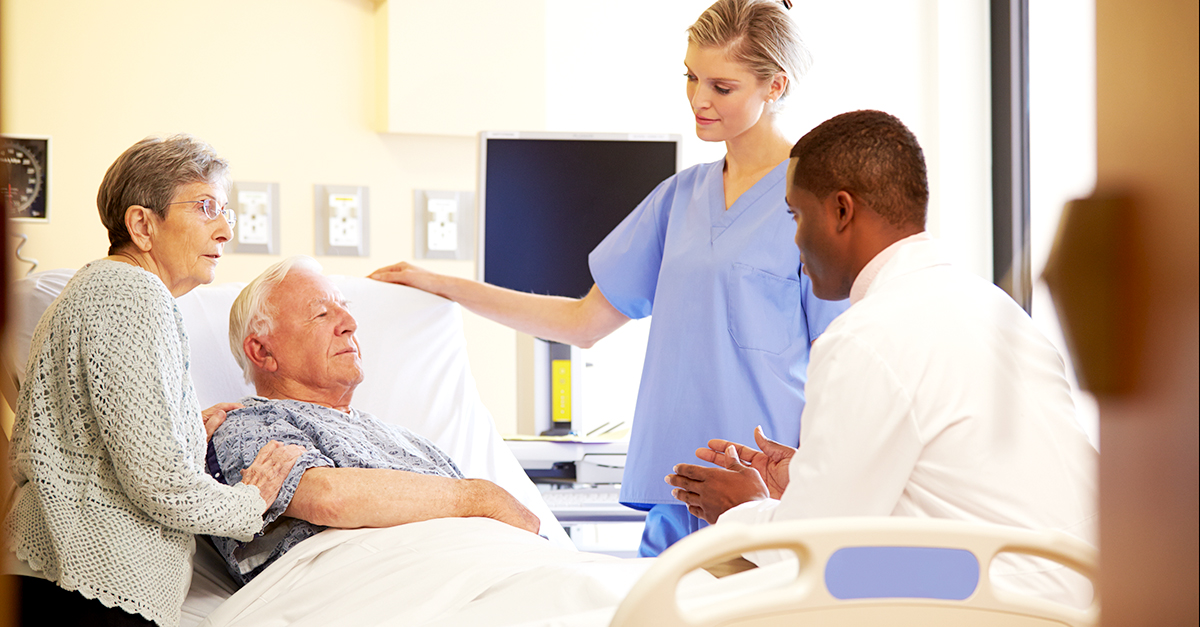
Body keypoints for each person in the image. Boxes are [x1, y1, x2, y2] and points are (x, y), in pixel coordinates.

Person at [369, 0, 848, 557]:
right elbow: (584, 321)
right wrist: (445, 286)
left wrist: (811, 478)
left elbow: (838, 365)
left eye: (722, 86)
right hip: (678, 480)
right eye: (691, 78)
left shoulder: (813, 201)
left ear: (774, 86)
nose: (698, 99)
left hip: (765, 488)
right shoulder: (680, 199)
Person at [666, 110, 1099, 606]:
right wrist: (807, 474)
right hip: (1093, 594)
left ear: (841, 211)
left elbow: (810, 552)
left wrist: (740, 508)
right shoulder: (992, 307)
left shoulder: (862, 338)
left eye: (796, 215)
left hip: (1008, 610)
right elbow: (952, 476)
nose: (794, 239)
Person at [3, 135, 304, 627]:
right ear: (142, 224)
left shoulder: (97, 289)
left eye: (225, 210)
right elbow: (160, 485)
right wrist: (252, 501)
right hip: (87, 587)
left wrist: (185, 430)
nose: (226, 229)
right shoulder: (132, 296)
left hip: (55, 573)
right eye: (206, 207)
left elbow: (102, 443)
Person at [206, 256, 543, 585]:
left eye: (345, 308)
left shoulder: (407, 440)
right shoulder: (248, 424)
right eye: (321, 313)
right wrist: (478, 498)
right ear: (262, 352)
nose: (349, 323)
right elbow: (328, 498)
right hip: (390, 585)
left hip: (490, 567)